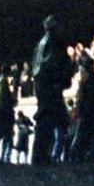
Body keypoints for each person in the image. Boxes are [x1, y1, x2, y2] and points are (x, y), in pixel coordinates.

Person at [31, 15, 74, 165]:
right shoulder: (54, 42)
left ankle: (41, 155)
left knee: (48, 120)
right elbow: (55, 64)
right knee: (47, 121)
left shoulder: (42, 42)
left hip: (43, 85)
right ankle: (40, 156)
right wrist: (63, 78)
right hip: (50, 85)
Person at [0, 72, 16, 163]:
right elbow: (5, 97)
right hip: (2, 111)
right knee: (0, 133)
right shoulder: (3, 81)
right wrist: (13, 101)